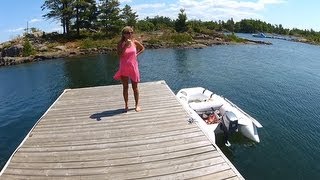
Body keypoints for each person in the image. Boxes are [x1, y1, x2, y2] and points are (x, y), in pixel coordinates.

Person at [114, 26, 145, 112]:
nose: (130, 34)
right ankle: (126, 105)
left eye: (131, 32)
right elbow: (120, 55)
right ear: (123, 34)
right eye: (127, 33)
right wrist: (125, 46)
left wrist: (136, 54)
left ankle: (137, 104)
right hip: (124, 67)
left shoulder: (134, 42)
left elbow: (142, 48)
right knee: (125, 87)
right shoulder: (120, 43)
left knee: (135, 87)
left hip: (133, 66)